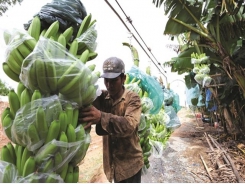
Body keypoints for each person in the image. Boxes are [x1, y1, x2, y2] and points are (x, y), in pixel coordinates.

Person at [79, 57, 144, 183]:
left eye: (114, 81)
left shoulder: (133, 99)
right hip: (111, 165)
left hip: (130, 166)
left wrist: (101, 117)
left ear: (123, 78)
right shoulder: (102, 98)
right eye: (106, 81)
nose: (109, 85)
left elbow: (129, 125)